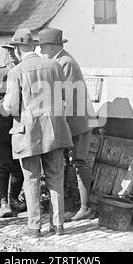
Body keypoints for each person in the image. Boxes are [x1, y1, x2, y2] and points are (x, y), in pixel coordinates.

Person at [1, 28, 73, 237]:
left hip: (29, 132)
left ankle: (34, 226)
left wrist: (0, 108)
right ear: (32, 46)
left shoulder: (16, 72)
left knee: (31, 180)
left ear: (17, 48)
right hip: (55, 129)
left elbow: (13, 107)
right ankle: (58, 225)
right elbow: (64, 96)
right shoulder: (55, 65)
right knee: (55, 177)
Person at [39, 27, 96, 221]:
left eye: (44, 47)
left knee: (79, 162)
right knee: (70, 163)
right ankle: (72, 205)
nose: (41, 51)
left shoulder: (66, 62)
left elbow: (66, 96)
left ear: (54, 45)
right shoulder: (58, 61)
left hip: (78, 121)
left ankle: (87, 207)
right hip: (71, 121)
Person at [0, 44, 26, 218]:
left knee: (19, 166)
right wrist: (3, 110)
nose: (12, 55)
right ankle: (3, 203)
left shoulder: (27, 71)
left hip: (22, 128)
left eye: (15, 51)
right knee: (3, 166)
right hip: (2, 128)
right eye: (9, 52)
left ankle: (14, 199)